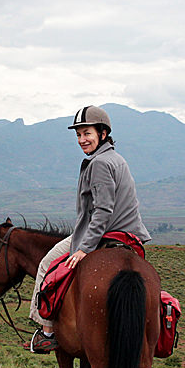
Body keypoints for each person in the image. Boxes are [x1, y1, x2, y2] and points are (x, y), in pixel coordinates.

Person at [26, 105, 151, 352]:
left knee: (46, 264)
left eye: (87, 134)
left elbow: (103, 211)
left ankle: (46, 331)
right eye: (79, 135)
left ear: (103, 134)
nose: (82, 140)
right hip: (129, 236)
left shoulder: (100, 164)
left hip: (104, 233)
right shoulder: (116, 158)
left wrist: (84, 248)